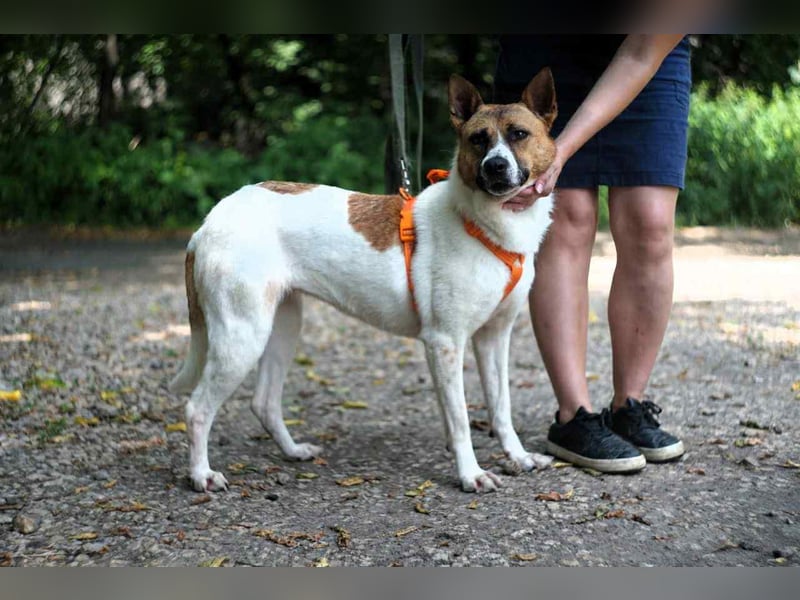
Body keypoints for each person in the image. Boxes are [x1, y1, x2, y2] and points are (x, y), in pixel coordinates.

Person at [494, 34, 690, 472]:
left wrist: (562, 149)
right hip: (544, 50)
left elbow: (642, 50)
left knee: (650, 221)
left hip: (648, 60)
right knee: (566, 216)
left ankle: (630, 405)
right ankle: (573, 416)